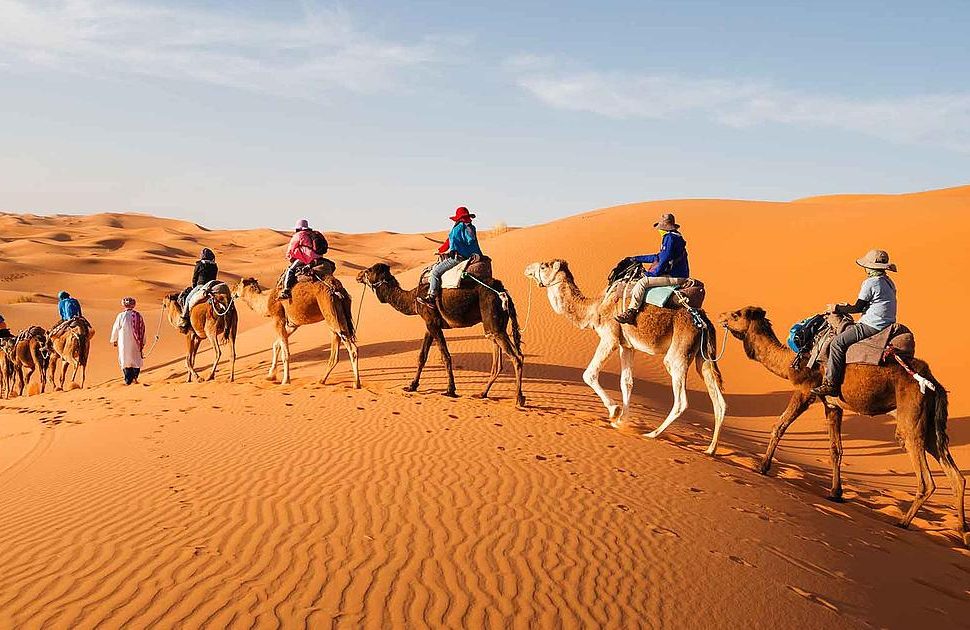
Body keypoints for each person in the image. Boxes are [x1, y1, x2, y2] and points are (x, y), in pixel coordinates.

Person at [812, 249, 898, 398]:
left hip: (872, 325)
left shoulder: (870, 283)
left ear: (870, 268)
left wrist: (836, 308)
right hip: (887, 322)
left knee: (837, 343)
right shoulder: (888, 282)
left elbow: (857, 308)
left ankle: (831, 384)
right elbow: (875, 302)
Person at [615, 213, 690, 324]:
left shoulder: (669, 238)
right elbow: (658, 257)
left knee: (642, 282)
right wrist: (636, 259)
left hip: (676, 276)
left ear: (664, 228)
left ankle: (631, 311)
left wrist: (653, 274)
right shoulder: (675, 237)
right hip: (678, 274)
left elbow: (664, 259)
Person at [419, 207, 483, 306]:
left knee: (435, 272)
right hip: (472, 256)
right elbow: (468, 242)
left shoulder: (458, 228)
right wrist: (441, 250)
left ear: (458, 218)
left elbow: (452, 242)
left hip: (459, 257)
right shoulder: (471, 227)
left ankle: (431, 297)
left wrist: (450, 250)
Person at [280, 219, 328, 300]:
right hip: (319, 258)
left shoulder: (299, 235)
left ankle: (286, 290)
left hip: (306, 258)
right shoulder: (313, 234)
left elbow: (290, 250)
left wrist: (290, 258)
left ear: (298, 229)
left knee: (290, 270)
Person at [178, 248, 219, 332]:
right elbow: (214, 277)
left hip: (201, 286)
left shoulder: (199, 264)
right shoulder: (214, 266)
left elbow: (194, 278)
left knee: (188, 299)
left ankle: (184, 319)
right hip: (212, 285)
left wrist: (194, 286)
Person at [110, 297, 146, 385]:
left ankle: (128, 380)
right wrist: (143, 342)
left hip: (124, 342)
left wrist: (114, 339)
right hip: (136, 342)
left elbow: (116, 328)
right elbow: (143, 329)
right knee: (136, 359)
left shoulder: (121, 316)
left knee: (125, 359)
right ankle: (135, 378)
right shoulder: (138, 315)